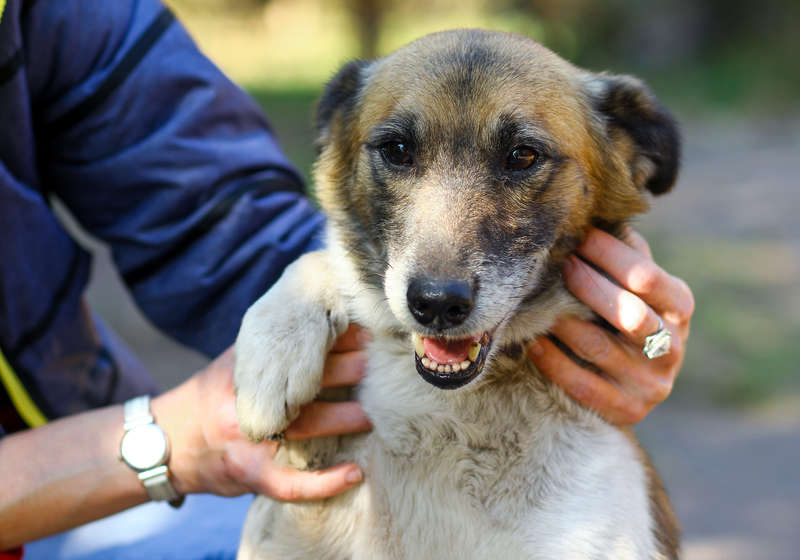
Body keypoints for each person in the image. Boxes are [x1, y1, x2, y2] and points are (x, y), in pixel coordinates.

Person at [0, 0, 694, 557]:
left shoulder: (48, 11)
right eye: (395, 150)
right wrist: (161, 442)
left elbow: (223, 226)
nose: (438, 289)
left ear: (629, 157)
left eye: (521, 157)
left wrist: (317, 286)